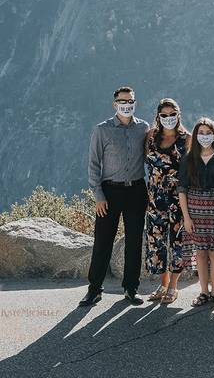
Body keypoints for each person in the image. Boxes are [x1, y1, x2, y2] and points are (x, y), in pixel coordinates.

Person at [80, 86, 150, 307]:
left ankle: (131, 288)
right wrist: (98, 194)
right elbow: (93, 163)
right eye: (122, 101)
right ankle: (94, 289)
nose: (126, 105)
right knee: (103, 241)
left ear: (135, 103)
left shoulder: (144, 128)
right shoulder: (102, 130)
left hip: (137, 190)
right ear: (115, 104)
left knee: (134, 241)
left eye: (130, 101)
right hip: (110, 191)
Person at [178, 118, 214, 308]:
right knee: (200, 252)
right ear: (195, 135)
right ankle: (203, 292)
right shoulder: (188, 158)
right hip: (194, 210)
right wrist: (186, 217)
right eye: (201, 133)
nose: (204, 136)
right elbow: (182, 189)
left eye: (208, 133)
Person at [144, 98, 189, 304]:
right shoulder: (151, 136)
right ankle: (163, 283)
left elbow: (189, 170)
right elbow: (147, 163)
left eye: (172, 114)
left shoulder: (186, 139)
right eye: (164, 115)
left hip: (177, 198)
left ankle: (173, 286)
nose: (168, 118)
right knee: (156, 241)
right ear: (158, 117)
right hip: (154, 198)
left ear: (178, 115)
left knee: (177, 241)